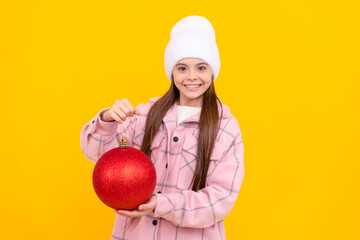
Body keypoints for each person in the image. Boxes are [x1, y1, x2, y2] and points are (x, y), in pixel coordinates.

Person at [80, 15, 245, 240]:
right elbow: (98, 155)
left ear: (212, 72)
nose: (192, 77)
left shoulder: (225, 128)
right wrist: (107, 120)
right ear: (172, 72)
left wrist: (161, 203)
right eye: (182, 68)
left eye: (201, 67)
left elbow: (220, 200)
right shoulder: (144, 115)